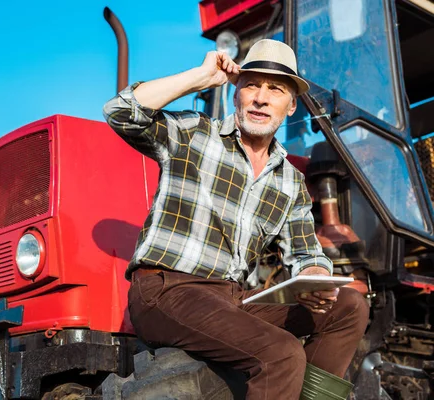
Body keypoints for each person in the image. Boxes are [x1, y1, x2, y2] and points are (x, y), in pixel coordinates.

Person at [103, 39, 369, 399]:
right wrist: (198, 77)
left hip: (231, 299)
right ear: (235, 94)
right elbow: (120, 111)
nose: (261, 97)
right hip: (168, 290)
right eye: (251, 85)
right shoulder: (195, 134)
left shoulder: (289, 180)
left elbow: (308, 253)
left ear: (290, 107)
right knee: (281, 353)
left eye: (275, 89)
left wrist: (314, 278)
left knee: (350, 306)